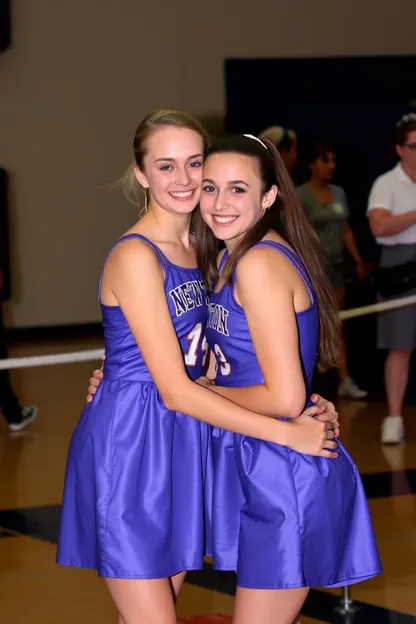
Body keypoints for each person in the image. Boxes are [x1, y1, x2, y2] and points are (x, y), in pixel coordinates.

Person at [58, 109, 339, 624]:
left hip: (186, 437)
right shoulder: (136, 255)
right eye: (165, 167)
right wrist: (289, 430)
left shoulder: (206, 248)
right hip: (135, 440)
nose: (184, 180)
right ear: (141, 174)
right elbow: (173, 385)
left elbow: (220, 351)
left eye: (194, 165)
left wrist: (303, 396)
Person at [194, 134, 382, 624]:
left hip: (282, 469)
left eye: (238, 189)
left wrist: (197, 394)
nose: (219, 203)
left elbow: (284, 395)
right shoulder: (229, 256)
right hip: (258, 456)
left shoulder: (258, 263)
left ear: (270, 196)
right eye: (210, 187)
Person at [297, 141, 368, 399]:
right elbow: (296, 233)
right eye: (325, 160)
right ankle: (307, 381)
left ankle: (343, 379)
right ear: (311, 164)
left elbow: (346, 230)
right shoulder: (300, 195)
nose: (331, 166)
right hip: (313, 269)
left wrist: (357, 259)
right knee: (312, 322)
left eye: (334, 161)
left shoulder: (338, 192)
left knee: (339, 323)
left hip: (338, 267)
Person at [367, 113, 416, 444]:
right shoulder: (386, 183)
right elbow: (379, 226)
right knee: (400, 346)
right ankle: (394, 417)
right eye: (414, 146)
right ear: (400, 148)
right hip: (402, 267)